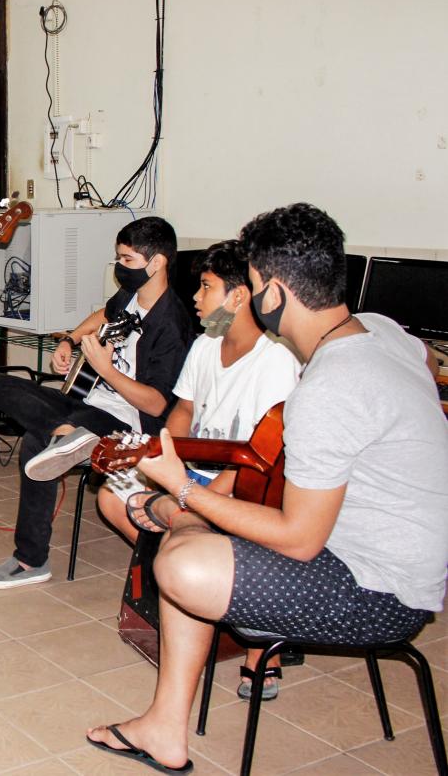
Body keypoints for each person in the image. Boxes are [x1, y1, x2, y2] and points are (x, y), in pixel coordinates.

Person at [84, 203, 448, 773]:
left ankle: (173, 717)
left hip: (381, 593)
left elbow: (300, 540)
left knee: (183, 563)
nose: (247, 302)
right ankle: (164, 728)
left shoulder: (328, 385)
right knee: (187, 536)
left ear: (274, 293)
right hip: (389, 557)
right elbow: (430, 361)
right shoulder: (380, 330)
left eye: (251, 287)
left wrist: (183, 490)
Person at [95, 239, 300, 700]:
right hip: (195, 472)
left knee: (190, 522)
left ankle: (254, 644)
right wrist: (168, 460)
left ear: (239, 296)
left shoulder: (277, 360)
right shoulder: (207, 344)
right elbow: (183, 408)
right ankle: (201, 592)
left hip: (248, 483)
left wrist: (186, 492)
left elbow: (264, 456)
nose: (196, 298)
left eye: (206, 288)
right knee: (112, 496)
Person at [0, 216, 193, 589]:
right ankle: (66, 433)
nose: (119, 268)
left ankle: (30, 561)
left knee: (33, 444)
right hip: (86, 407)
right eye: (118, 258)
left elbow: (157, 406)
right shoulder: (131, 297)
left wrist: (107, 371)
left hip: (129, 424)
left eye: (127, 260)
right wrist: (70, 340)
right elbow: (104, 314)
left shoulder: (172, 324)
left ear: (157, 263)